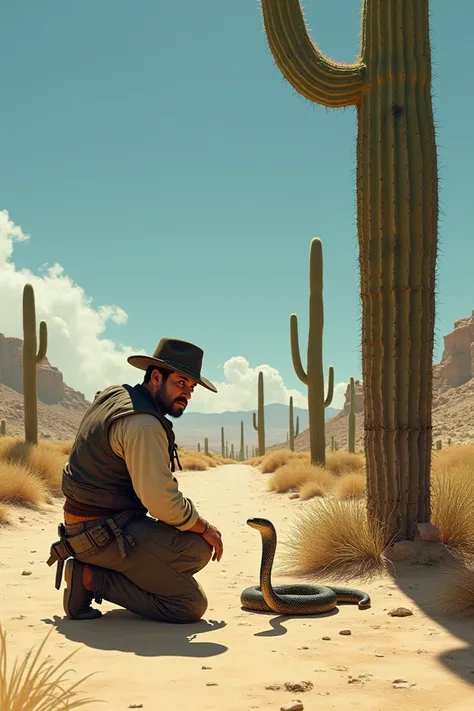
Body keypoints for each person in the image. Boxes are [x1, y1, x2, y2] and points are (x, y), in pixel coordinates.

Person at [46, 338, 223, 623]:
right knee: (190, 602)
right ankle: (90, 578)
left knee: (195, 548)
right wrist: (205, 526)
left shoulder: (116, 395)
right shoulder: (143, 424)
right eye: (181, 383)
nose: (187, 394)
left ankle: (113, 570)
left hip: (87, 525)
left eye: (191, 387)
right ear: (156, 377)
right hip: (100, 534)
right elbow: (161, 502)